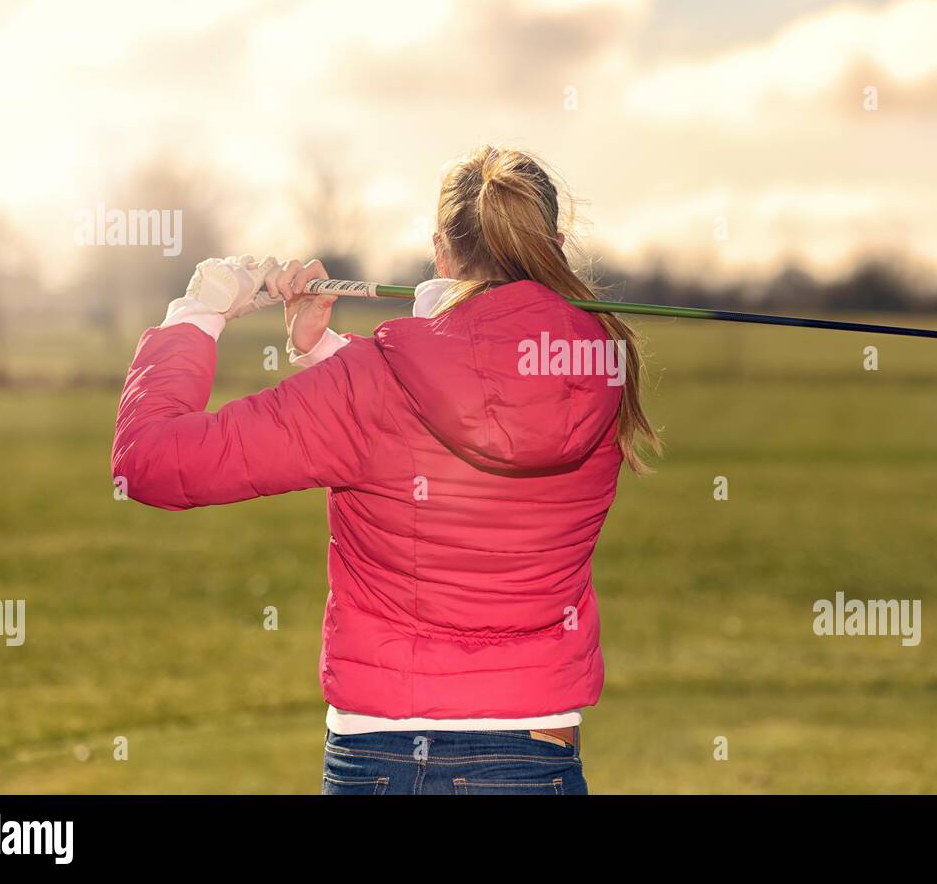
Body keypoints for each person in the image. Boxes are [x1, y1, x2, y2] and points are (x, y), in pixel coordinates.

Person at [112, 146, 659, 794]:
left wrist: (199, 312)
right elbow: (455, 414)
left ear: (442, 253)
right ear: (556, 245)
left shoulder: (371, 383)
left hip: (380, 751)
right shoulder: (601, 369)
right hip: (534, 746)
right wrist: (324, 353)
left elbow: (150, 460)